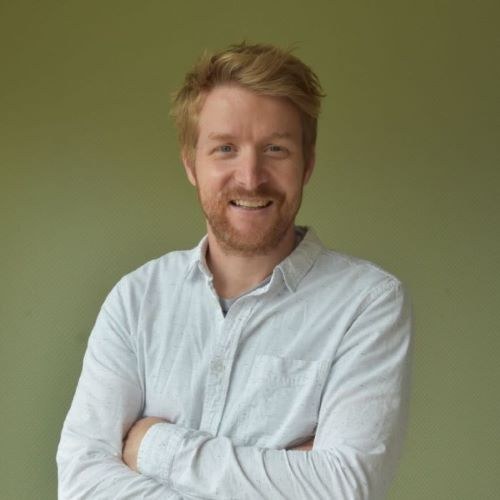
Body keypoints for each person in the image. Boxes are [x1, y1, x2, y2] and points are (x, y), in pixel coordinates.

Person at [57, 42, 412, 499]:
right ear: (191, 164)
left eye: (276, 149)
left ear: (307, 165)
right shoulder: (137, 298)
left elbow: (343, 488)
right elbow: (81, 484)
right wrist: (289, 477)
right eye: (225, 148)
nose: (250, 177)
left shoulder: (367, 304)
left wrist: (152, 446)